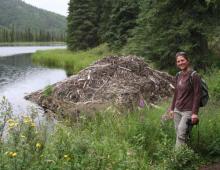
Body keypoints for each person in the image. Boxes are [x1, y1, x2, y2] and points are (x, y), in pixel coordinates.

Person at [170, 52, 201, 148]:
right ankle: (186, 156)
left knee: (181, 133)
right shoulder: (178, 75)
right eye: (178, 61)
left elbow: (197, 95)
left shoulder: (194, 75)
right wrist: (171, 109)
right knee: (180, 135)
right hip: (177, 110)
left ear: (187, 61)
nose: (180, 63)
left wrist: (194, 113)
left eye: (182, 60)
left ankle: (177, 158)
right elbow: (176, 93)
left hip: (188, 111)